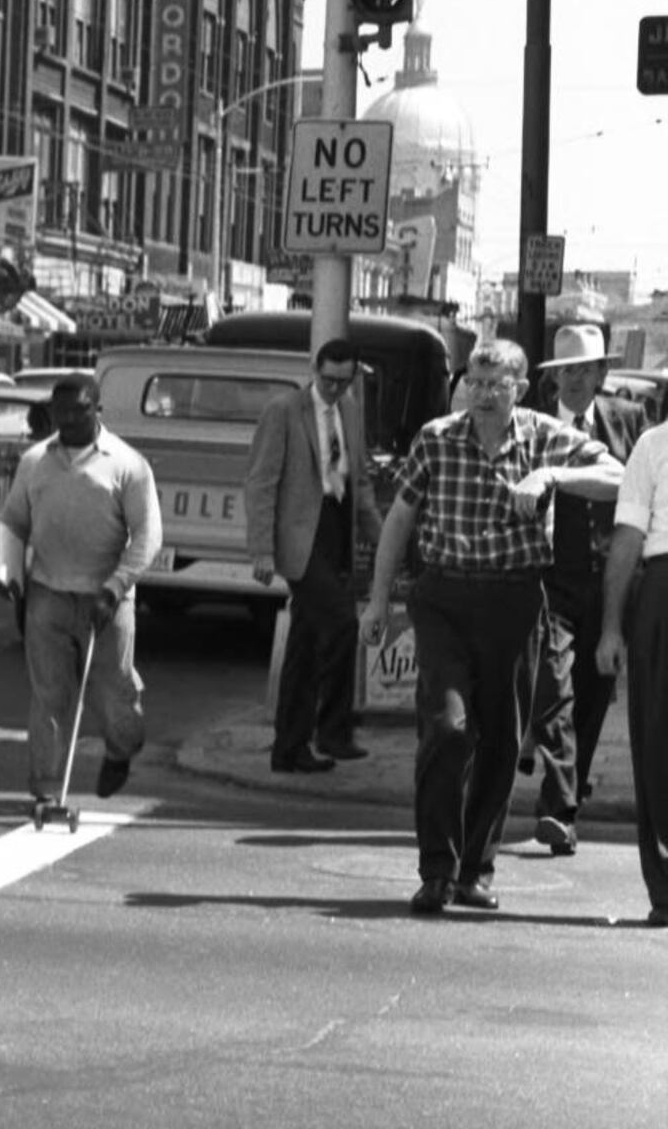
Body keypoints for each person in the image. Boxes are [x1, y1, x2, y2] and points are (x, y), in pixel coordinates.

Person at [361, 335, 622, 916]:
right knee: (448, 730)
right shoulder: (436, 439)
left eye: (494, 385)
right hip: (445, 598)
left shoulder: (542, 436)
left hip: (514, 602)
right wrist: (378, 602)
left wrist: (552, 476)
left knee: (502, 738)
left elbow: (618, 476)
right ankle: (436, 870)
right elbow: (401, 519)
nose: (480, 395)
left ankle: (474, 871)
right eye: (473, 383)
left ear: (521, 389)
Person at [0, 372, 162, 809]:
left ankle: (122, 748)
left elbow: (147, 537)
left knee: (114, 693)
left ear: (98, 411)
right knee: (50, 695)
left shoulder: (127, 465)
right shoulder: (35, 461)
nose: (68, 420)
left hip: (106, 598)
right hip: (48, 594)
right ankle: (47, 792)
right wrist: (9, 570)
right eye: (59, 412)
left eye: (78, 411)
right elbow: (14, 521)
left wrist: (115, 586)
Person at [242, 338, 373, 773]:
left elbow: (361, 478)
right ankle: (332, 729)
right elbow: (260, 483)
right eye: (327, 379)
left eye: (343, 381)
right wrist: (261, 549)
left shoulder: (350, 410)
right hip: (299, 539)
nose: (334, 389)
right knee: (341, 622)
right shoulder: (284, 411)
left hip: (335, 530)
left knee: (304, 643)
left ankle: (290, 747)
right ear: (313, 370)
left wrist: (381, 535)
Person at [529, 328, 626, 854]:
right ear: (553, 378)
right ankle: (559, 805)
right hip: (552, 579)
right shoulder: (536, 429)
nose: (579, 378)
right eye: (569, 370)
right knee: (555, 691)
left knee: (591, 695)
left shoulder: (626, 421)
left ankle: (564, 803)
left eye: (588, 369)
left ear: (601, 374)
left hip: (608, 585)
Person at [595, 395, 668, 925]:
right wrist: (612, 628)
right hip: (662, 588)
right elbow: (627, 538)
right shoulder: (654, 445)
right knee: (657, 740)